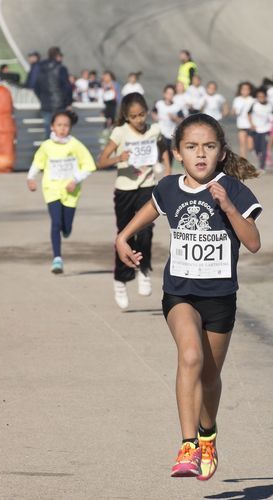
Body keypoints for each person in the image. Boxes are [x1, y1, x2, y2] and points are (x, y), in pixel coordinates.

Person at [115, 113, 262, 480]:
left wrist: (228, 207)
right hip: (179, 292)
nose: (200, 154)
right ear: (178, 152)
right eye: (192, 147)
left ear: (221, 152)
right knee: (190, 355)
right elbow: (149, 210)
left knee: (210, 377)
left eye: (209, 147)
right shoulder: (169, 187)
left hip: (220, 297)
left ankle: (208, 433)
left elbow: (254, 243)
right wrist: (122, 238)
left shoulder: (234, 189)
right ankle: (187, 446)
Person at [97, 92, 170, 309]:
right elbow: (101, 161)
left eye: (142, 114)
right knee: (125, 235)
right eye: (134, 116)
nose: (139, 120)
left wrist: (166, 168)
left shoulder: (154, 129)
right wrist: (118, 158)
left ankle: (144, 269)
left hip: (147, 186)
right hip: (125, 190)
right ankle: (120, 280)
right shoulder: (120, 132)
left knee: (146, 230)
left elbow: (163, 147)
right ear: (126, 117)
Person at [26, 110, 96, 273]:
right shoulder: (46, 146)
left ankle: (67, 229)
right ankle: (57, 259)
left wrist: (75, 180)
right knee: (55, 223)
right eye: (59, 125)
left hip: (71, 191)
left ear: (70, 127)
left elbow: (89, 165)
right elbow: (37, 163)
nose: (62, 128)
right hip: (52, 189)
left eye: (66, 125)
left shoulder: (75, 145)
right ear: (52, 127)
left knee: (66, 227)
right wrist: (31, 178)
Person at [34, 46, 73, 138]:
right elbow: (67, 87)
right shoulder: (61, 68)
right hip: (60, 104)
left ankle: (48, 150)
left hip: (46, 103)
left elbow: (36, 87)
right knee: (61, 131)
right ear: (57, 56)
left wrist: (42, 98)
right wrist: (68, 102)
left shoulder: (40, 68)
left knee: (49, 130)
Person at [152, 84, 182, 167]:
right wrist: (155, 117)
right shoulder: (159, 104)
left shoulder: (176, 107)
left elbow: (181, 119)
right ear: (164, 94)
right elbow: (153, 112)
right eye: (168, 93)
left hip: (171, 134)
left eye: (172, 94)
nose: (169, 95)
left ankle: (168, 169)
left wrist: (175, 118)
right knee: (161, 146)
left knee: (170, 153)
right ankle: (158, 161)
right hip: (161, 131)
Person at [248, 86, 273, 171]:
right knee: (257, 149)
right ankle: (258, 155)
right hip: (256, 130)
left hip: (266, 130)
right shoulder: (255, 104)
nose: (261, 98)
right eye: (259, 96)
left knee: (264, 148)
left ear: (265, 97)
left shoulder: (270, 105)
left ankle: (262, 167)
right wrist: (251, 124)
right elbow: (249, 114)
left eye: (262, 96)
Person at [231, 81, 255, 159]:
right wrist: (234, 112)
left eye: (247, 89)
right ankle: (243, 164)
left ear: (250, 90)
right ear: (240, 90)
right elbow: (233, 111)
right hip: (241, 125)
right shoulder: (237, 99)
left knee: (250, 146)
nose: (245, 90)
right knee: (242, 145)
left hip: (251, 126)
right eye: (243, 89)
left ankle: (254, 152)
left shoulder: (253, 100)